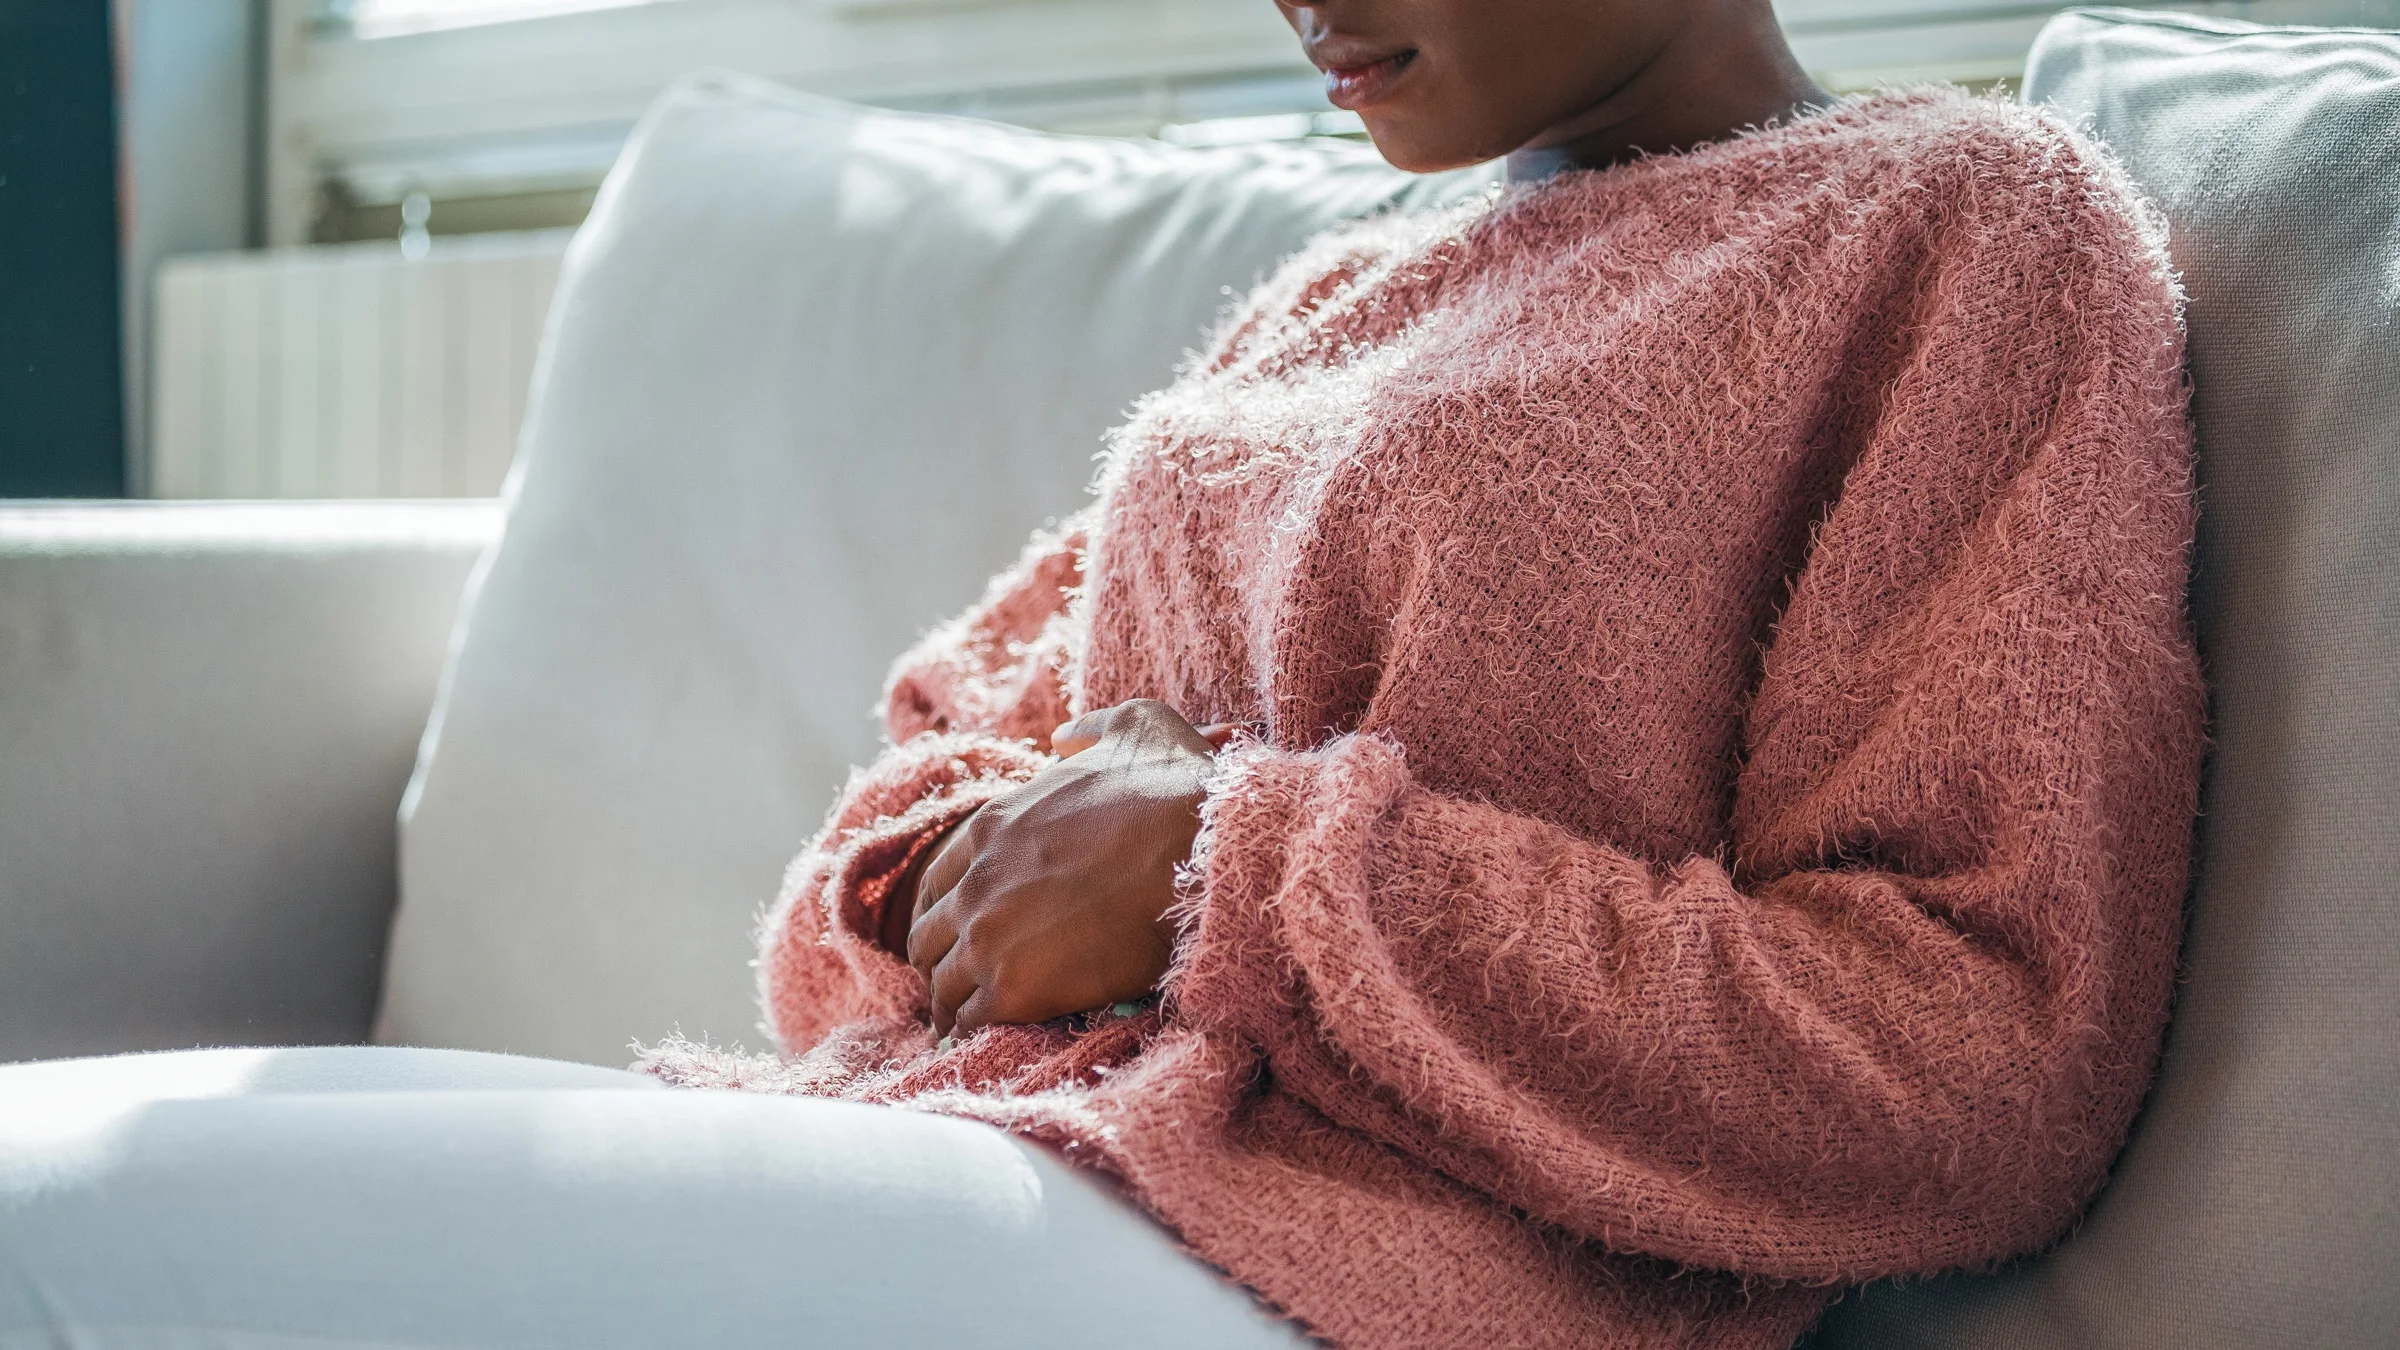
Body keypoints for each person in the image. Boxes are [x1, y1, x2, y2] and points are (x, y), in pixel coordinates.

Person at [1, 3, 2203, 1348]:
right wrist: (983, 877)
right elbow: (922, 810)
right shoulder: (1334, 298)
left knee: (61, 1248)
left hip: (1351, 1289)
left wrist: (1215, 875)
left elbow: (1969, 1061)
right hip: (985, 1158)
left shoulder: (1963, 230)